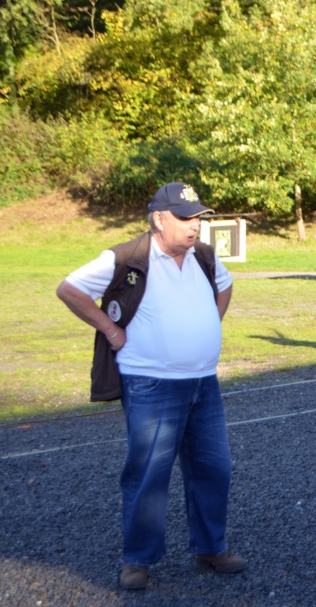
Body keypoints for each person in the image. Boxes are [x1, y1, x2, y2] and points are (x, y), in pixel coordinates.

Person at [56, 182, 246, 590]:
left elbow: (226, 286)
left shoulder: (205, 257)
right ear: (159, 219)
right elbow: (69, 290)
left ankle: (210, 548)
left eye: (197, 218)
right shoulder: (127, 258)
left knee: (214, 469)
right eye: (185, 218)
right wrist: (110, 330)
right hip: (151, 385)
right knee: (147, 475)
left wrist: (210, 323)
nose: (194, 226)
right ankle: (138, 561)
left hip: (203, 384)